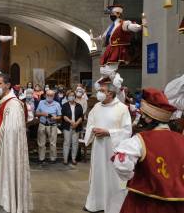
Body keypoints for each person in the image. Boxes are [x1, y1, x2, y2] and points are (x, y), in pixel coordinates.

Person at [112, 88, 184, 213]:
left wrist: (133, 178)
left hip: (143, 203)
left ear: (149, 118)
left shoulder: (140, 140)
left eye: (143, 116)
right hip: (178, 205)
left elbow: (121, 165)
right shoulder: (181, 139)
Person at [0, 73, 32, 213]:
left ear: (7, 85)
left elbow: (13, 131)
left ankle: (7, 206)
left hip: (7, 152)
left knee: (5, 177)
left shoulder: (14, 104)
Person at [83, 80, 132, 213]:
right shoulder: (97, 107)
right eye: (99, 91)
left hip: (113, 148)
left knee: (112, 176)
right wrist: (93, 130)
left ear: (110, 93)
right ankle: (96, 203)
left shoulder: (122, 108)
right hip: (98, 148)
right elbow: (90, 123)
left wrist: (108, 132)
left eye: (102, 91)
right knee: (98, 174)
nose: (99, 93)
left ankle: (113, 206)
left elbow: (127, 130)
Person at [35, 90, 62, 164]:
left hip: (52, 125)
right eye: (48, 95)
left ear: (54, 96)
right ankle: (41, 158)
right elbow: (36, 113)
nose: (49, 97)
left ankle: (53, 158)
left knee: (53, 143)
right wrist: (42, 114)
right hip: (42, 124)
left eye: (51, 95)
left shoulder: (57, 104)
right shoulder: (41, 102)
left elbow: (60, 116)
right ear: (45, 95)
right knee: (41, 143)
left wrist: (55, 118)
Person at [61, 90, 84, 165]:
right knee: (67, 143)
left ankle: (73, 159)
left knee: (75, 143)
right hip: (67, 126)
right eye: (70, 95)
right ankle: (65, 159)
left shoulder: (79, 105)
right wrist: (71, 122)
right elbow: (64, 116)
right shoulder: (65, 105)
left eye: (73, 95)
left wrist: (76, 123)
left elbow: (81, 116)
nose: (72, 97)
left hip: (76, 126)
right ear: (67, 97)